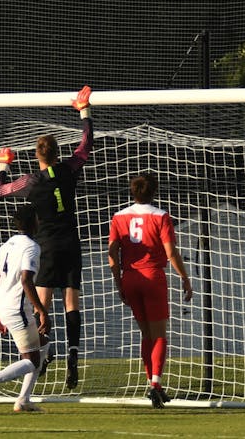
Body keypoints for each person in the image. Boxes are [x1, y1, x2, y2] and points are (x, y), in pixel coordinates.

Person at [0, 85, 93, 389]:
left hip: (47, 247)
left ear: (38, 155)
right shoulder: (68, 170)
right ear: (57, 153)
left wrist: (3, 164)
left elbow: (0, 191)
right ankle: (73, 358)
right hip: (72, 243)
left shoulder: (31, 181)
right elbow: (86, 145)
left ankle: (44, 355)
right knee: (72, 303)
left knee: (43, 307)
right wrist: (84, 111)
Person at [107, 173, 193, 409]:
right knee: (159, 334)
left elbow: (112, 254)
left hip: (130, 277)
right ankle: (155, 385)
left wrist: (118, 282)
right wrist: (184, 277)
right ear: (154, 192)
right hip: (152, 276)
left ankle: (153, 383)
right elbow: (170, 252)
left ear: (132, 192)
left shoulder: (118, 217)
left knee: (146, 334)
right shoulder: (161, 216)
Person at [0, 204, 50, 413]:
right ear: (33, 222)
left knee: (42, 344)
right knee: (32, 361)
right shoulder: (31, 247)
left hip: (4, 306)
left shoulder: (7, 245)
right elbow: (26, 280)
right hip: (17, 308)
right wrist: (41, 310)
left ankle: (23, 400)